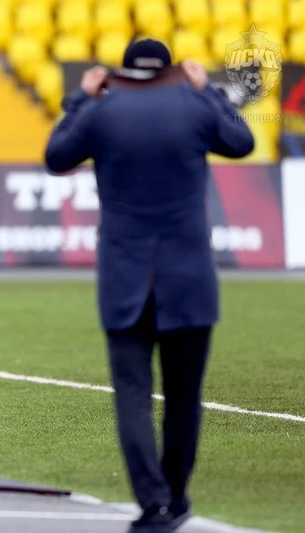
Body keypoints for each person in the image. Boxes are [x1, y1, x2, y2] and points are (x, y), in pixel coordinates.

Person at [45, 40, 254, 532]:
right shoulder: (192, 106)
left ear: (121, 71)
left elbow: (57, 155)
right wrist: (209, 93)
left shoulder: (102, 112)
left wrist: (81, 97)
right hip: (189, 280)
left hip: (125, 279)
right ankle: (176, 497)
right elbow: (241, 142)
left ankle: (154, 504)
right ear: (171, 70)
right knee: (184, 398)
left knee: (133, 397)